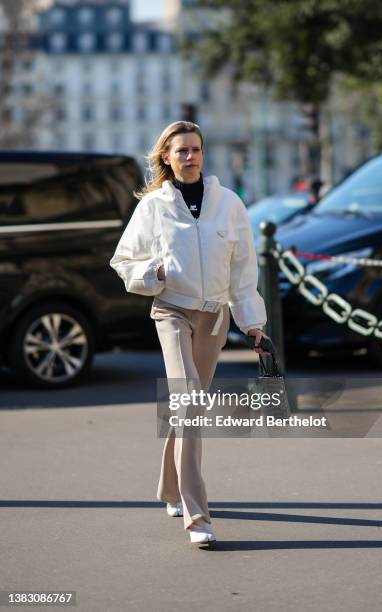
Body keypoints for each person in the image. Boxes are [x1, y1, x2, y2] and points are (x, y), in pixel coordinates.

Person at [110, 120, 270, 546]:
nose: (190, 157)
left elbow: (243, 270)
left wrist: (252, 322)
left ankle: (168, 488)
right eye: (181, 151)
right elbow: (123, 262)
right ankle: (198, 518)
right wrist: (154, 272)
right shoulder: (154, 208)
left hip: (214, 318)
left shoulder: (229, 204)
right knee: (190, 405)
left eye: (196, 149)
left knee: (186, 411)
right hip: (172, 312)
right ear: (166, 156)